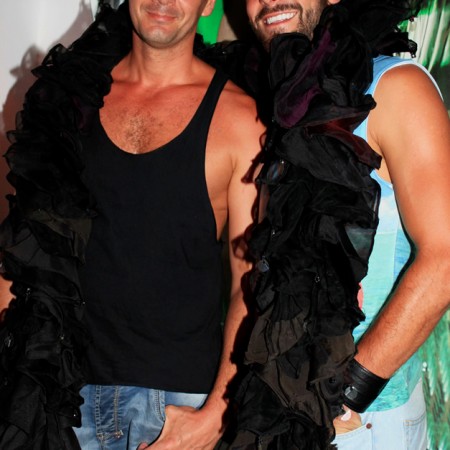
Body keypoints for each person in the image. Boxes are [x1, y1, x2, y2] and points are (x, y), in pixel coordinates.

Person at [0, 1, 265, 449]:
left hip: (178, 409)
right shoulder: (68, 100)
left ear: (207, 4)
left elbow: (251, 284)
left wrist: (218, 412)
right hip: (61, 400)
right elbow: (22, 256)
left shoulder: (241, 119)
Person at [211, 0, 450, 449]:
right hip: (286, 419)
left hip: (364, 424)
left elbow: (445, 259)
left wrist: (347, 394)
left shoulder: (397, 87)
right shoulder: (284, 104)